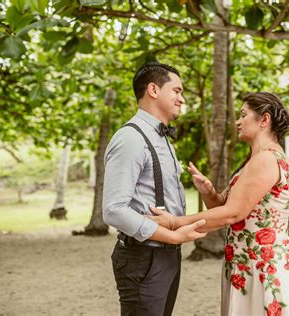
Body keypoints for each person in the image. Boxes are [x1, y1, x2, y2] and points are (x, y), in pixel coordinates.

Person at [151, 92, 289, 315]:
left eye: (243, 115)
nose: (237, 121)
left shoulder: (266, 159)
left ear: (264, 120)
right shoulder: (256, 159)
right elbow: (227, 209)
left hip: (262, 266)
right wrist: (209, 192)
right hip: (248, 264)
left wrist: (175, 222)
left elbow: (232, 215)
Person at [102, 62, 207, 316]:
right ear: (153, 89)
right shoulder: (131, 138)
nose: (181, 99)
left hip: (166, 256)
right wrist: (172, 236)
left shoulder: (162, 139)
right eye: (177, 91)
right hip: (143, 257)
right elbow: (114, 210)